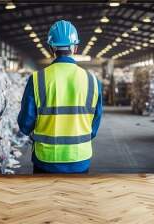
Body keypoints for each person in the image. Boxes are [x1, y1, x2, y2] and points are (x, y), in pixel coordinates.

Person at [17, 20, 103, 173]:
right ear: (75, 48)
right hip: (80, 158)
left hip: (46, 159)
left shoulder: (37, 79)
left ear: (51, 48)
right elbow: (94, 126)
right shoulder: (92, 80)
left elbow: (25, 124)